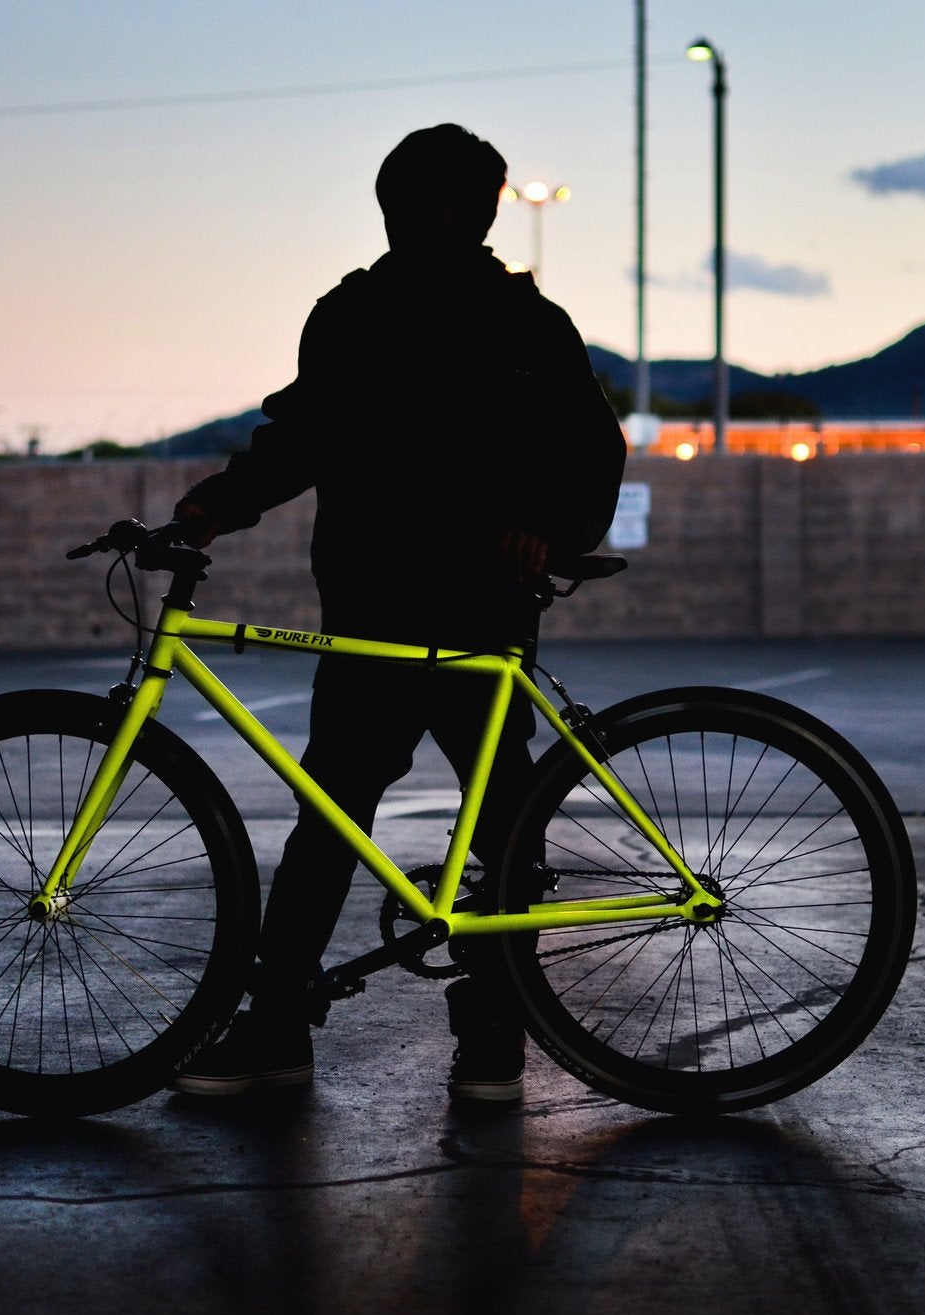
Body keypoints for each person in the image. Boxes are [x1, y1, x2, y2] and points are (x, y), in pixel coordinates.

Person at [165, 123, 626, 1104]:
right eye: (413, 206)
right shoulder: (352, 315)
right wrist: (215, 504)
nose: (430, 223)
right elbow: (297, 440)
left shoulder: (526, 324)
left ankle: (491, 1023)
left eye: (450, 206)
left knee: (495, 824)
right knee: (335, 818)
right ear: (391, 209)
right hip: (372, 612)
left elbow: (591, 451)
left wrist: (544, 528)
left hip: (479, 611)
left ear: (481, 212)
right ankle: (283, 1024)